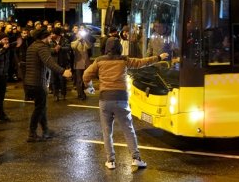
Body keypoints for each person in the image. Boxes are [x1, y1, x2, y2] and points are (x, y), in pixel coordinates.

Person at [83, 36, 168, 169]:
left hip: (105, 100)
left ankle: (110, 161)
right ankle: (136, 158)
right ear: (119, 48)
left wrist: (90, 87)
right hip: (121, 98)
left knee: (107, 131)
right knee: (128, 129)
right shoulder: (124, 60)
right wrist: (159, 57)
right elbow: (142, 62)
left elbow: (86, 75)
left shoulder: (99, 61)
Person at [23, 27, 71, 142]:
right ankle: (32, 133)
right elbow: (49, 62)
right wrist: (63, 71)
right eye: (49, 36)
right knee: (39, 109)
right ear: (44, 37)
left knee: (41, 107)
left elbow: (48, 53)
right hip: (38, 82)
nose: (51, 38)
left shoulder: (33, 46)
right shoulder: (42, 47)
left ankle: (45, 130)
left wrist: (55, 50)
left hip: (29, 82)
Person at [70, 27, 93, 100]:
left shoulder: (85, 41)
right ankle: (81, 94)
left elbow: (89, 46)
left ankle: (83, 93)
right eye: (79, 33)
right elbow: (73, 47)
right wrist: (78, 40)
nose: (80, 35)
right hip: (78, 63)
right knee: (79, 79)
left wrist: (85, 39)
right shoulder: (74, 42)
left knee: (85, 78)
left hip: (86, 63)